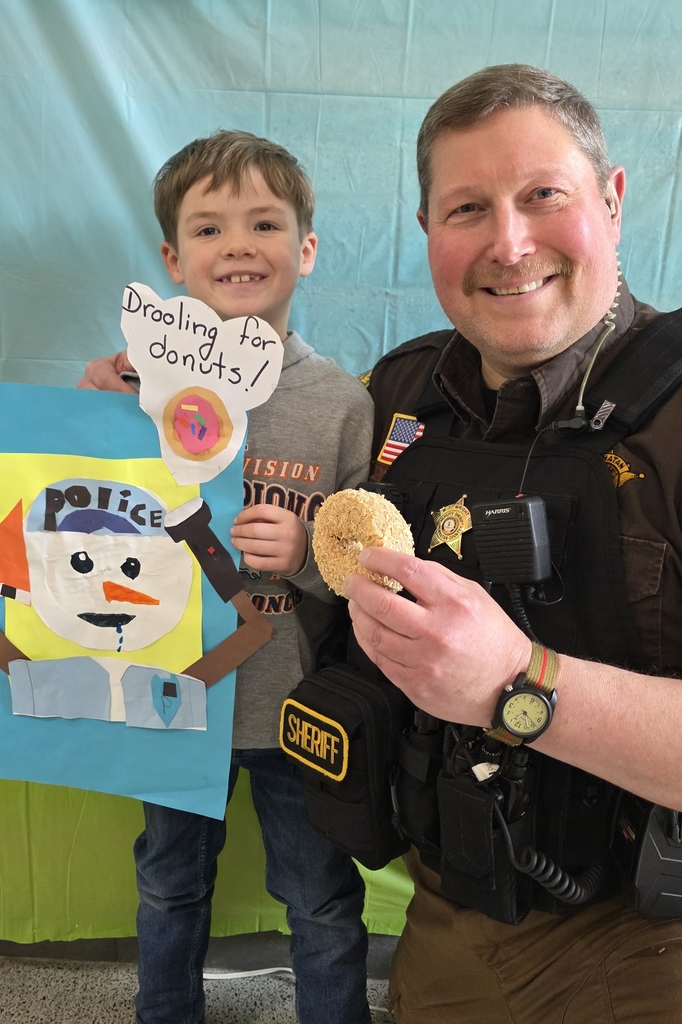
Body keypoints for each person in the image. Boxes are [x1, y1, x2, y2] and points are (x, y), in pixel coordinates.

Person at [343, 64, 682, 1023]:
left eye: (544, 196)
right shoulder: (395, 395)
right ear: (426, 236)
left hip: (651, 940)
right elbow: (260, 463)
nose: (508, 242)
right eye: (467, 209)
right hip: (449, 922)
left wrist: (519, 687)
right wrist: (155, 419)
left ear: (612, 202)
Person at [79, 129, 375, 1024]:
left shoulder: (342, 403)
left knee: (319, 900)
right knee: (169, 885)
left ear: (307, 248)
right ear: (173, 259)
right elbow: (79, 515)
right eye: (209, 229)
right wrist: (88, 417)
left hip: (296, 701)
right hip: (174, 697)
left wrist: (315, 544)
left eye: (265, 223)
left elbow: (374, 556)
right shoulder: (135, 392)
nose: (238, 245)